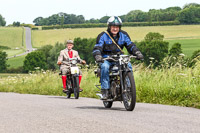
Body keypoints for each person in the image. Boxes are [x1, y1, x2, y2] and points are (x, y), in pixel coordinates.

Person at [92, 16, 143, 100]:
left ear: (119, 27)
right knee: (104, 67)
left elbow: (130, 45)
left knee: (128, 66)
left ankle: (129, 88)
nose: (115, 29)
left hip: (119, 58)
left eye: (117, 27)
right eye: (113, 26)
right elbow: (97, 47)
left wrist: (137, 52)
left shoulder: (124, 35)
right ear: (109, 27)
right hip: (106, 58)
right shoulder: (102, 35)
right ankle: (105, 90)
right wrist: (98, 56)